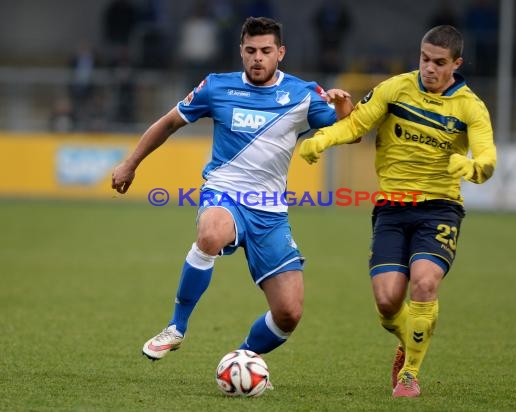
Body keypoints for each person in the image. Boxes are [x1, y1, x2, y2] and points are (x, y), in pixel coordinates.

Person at [111, 17, 353, 375]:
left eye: (266, 51)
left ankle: (240, 360)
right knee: (210, 232)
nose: (258, 58)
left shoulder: (303, 94)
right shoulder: (216, 87)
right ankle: (176, 327)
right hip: (224, 193)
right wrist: (131, 163)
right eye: (251, 50)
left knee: (289, 312)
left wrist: (344, 109)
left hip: (270, 213)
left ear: (280, 53)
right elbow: (169, 122)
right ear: (241, 51)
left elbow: (351, 133)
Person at [299, 25, 496, 397]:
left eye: (439, 62)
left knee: (424, 282)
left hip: (440, 208)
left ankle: (410, 373)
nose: (429, 68)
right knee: (388, 302)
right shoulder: (395, 89)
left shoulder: (470, 106)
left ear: (457, 63)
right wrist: (323, 139)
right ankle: (410, 338)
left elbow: (486, 157)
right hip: (392, 208)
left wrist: (473, 168)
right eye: (424, 59)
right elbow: (357, 123)